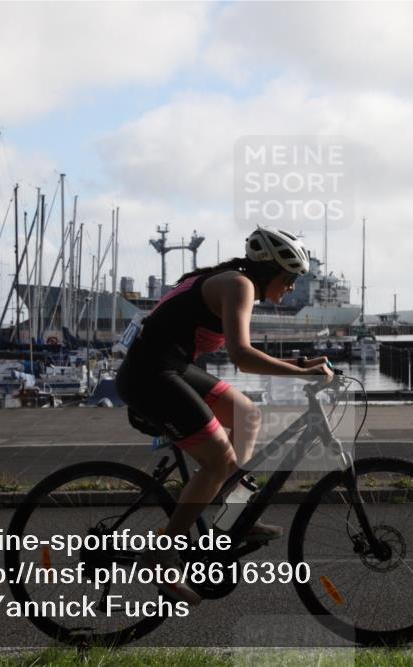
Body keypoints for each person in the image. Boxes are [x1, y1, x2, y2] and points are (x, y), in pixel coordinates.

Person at [115, 227, 333, 604]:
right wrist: (300, 372)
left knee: (246, 413)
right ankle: (161, 553)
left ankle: (233, 517)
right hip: (149, 376)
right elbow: (242, 357)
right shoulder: (239, 285)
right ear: (271, 271)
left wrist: (298, 361)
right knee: (218, 461)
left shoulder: (234, 280)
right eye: (291, 277)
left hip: (170, 368)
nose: (292, 287)